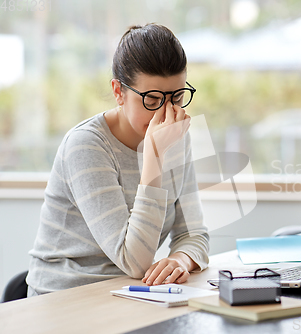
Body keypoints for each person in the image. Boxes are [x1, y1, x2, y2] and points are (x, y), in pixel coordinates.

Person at [26, 23, 209, 296]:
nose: (166, 113)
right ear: (118, 92)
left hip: (128, 292)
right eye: (152, 99)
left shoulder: (174, 136)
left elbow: (194, 234)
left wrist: (179, 261)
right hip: (65, 297)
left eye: (177, 97)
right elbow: (133, 261)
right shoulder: (86, 145)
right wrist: (154, 158)